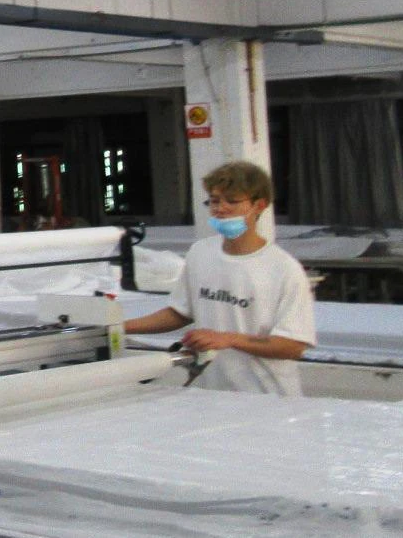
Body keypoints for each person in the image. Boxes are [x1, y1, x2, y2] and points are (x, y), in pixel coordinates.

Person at [122, 160, 315, 394]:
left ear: (259, 205)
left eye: (231, 201)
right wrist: (118, 328)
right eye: (214, 201)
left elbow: (293, 346)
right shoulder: (201, 253)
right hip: (213, 393)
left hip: (265, 397)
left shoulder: (283, 269)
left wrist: (229, 339)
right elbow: (179, 313)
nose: (220, 209)